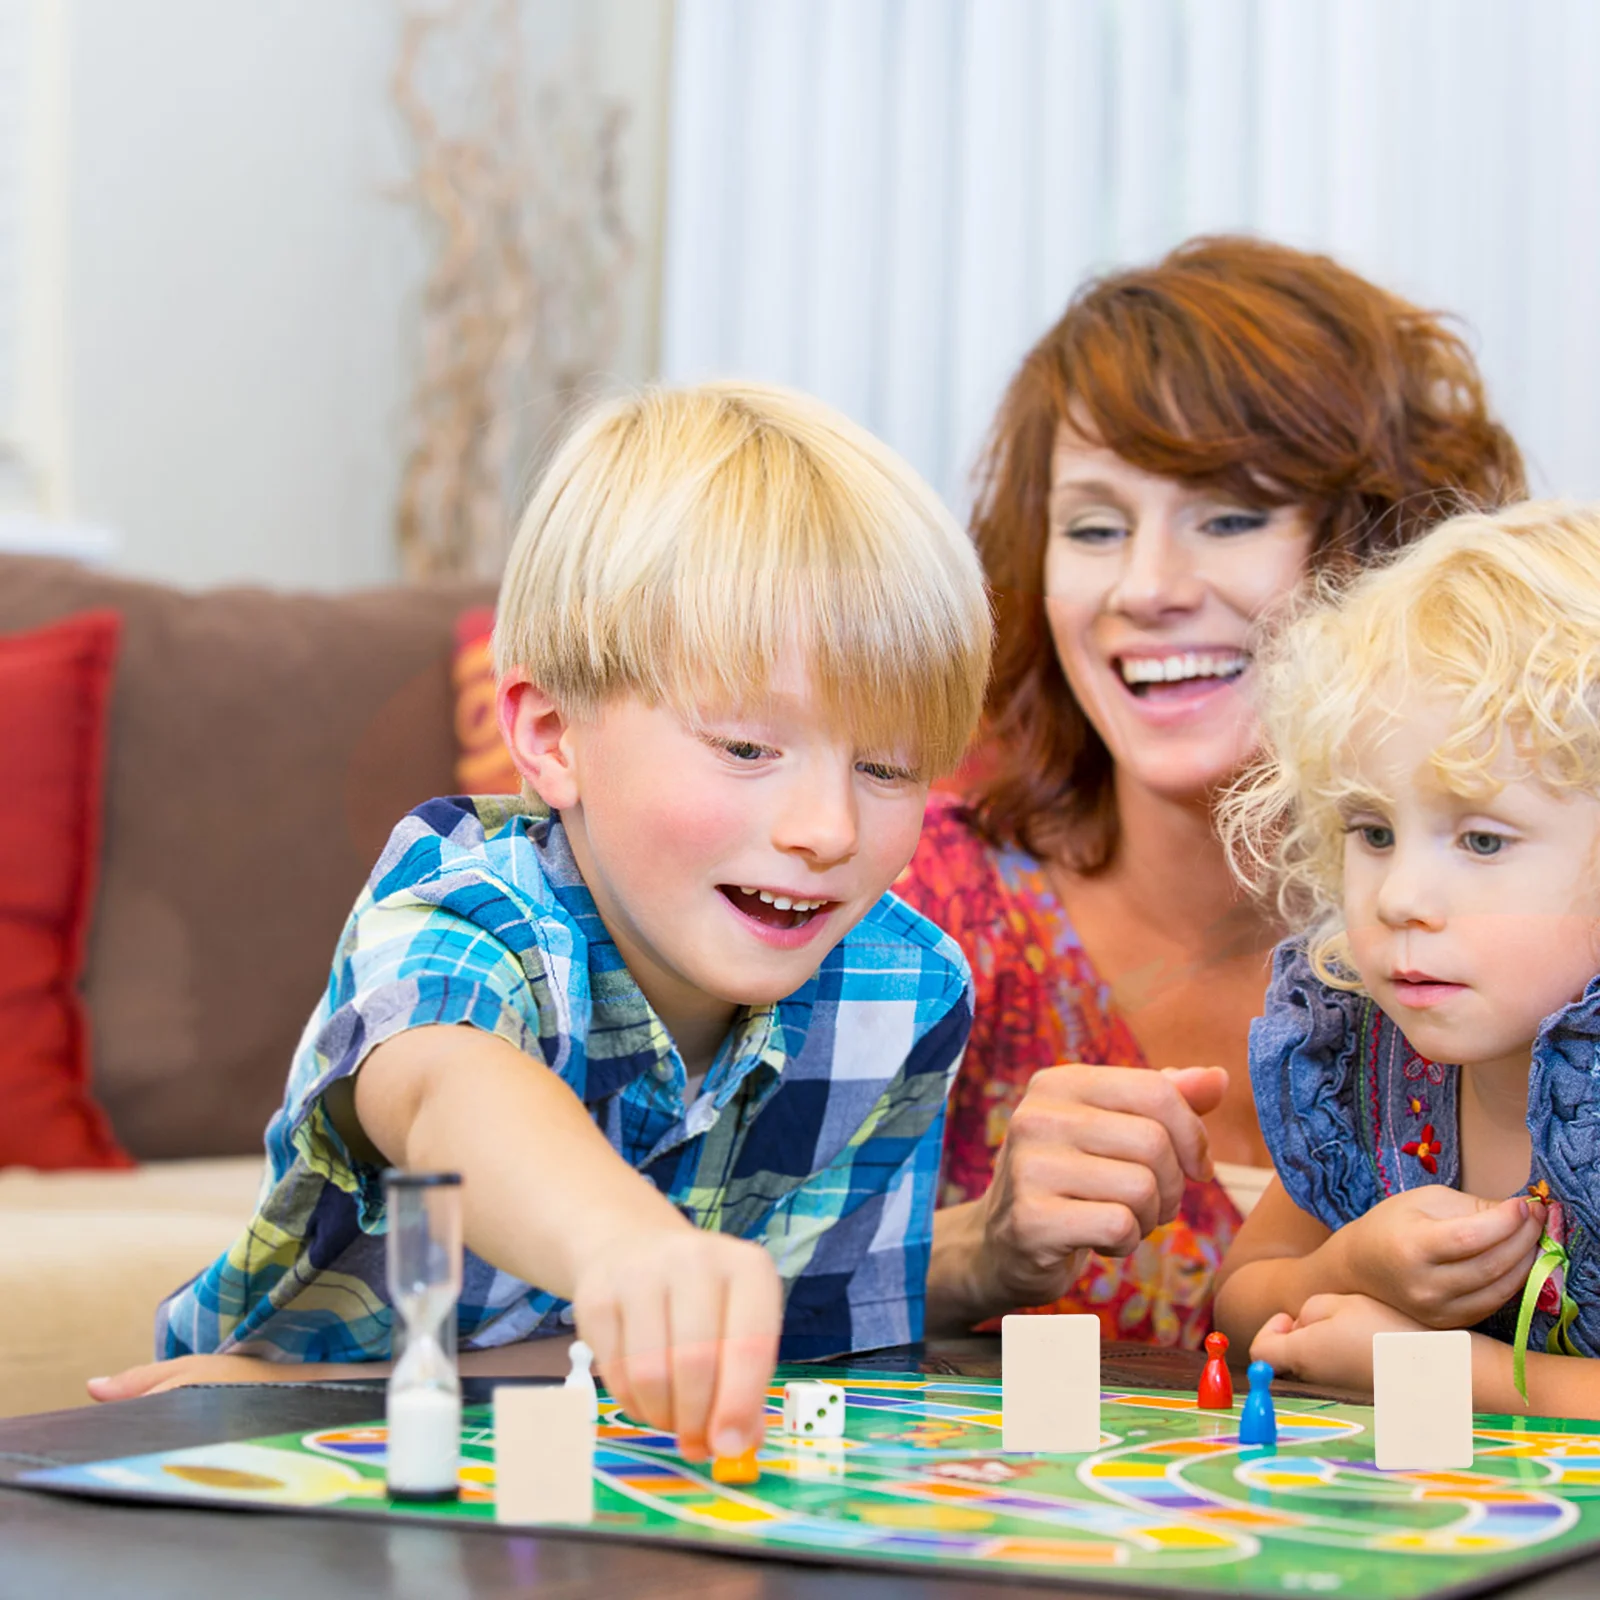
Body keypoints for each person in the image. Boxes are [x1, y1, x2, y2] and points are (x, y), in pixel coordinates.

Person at [91, 382, 992, 1463]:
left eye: (886, 767)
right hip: (306, 1441)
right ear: (554, 736)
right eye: (747, 749)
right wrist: (623, 1247)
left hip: (605, 1452)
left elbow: (797, 1377)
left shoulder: (903, 993)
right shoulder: (468, 899)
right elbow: (444, 1088)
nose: (825, 826)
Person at [898, 235, 1526, 1347]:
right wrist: (973, 1249)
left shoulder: (1543, 937)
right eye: (1093, 527)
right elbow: (669, 1271)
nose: (1145, 588)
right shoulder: (907, 905)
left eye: (1230, 516)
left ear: (1383, 547)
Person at [1213, 501, 1600, 1418]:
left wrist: (1449, 1379)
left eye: (1483, 841)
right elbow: (1236, 1297)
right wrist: (1349, 1264)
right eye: (1374, 831)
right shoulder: (1366, 1058)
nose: (1399, 898)